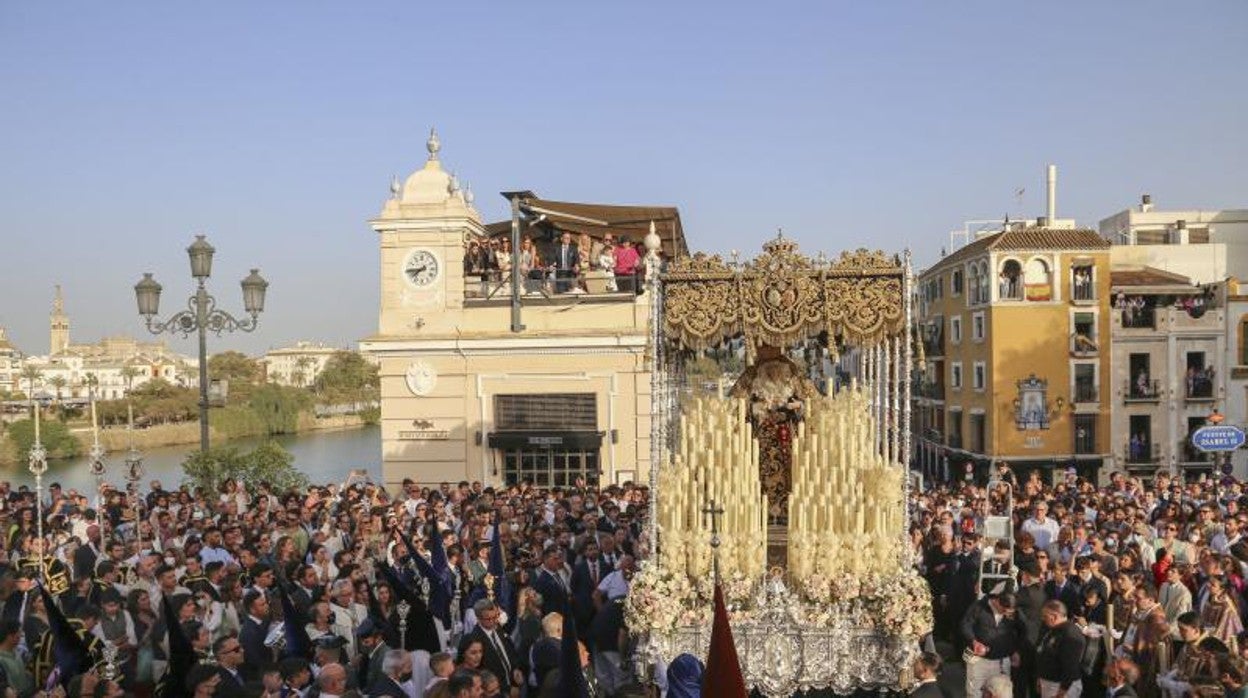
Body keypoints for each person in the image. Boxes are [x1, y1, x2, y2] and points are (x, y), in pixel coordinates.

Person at [959, 591, 1021, 698]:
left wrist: (1015, 651)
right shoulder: (979, 606)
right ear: (996, 601)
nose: (1005, 614)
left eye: (1009, 612)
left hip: (1002, 660)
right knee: (975, 692)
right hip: (979, 660)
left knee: (1002, 693)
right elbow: (965, 625)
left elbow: (1016, 631)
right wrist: (974, 641)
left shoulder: (1011, 613)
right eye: (1003, 610)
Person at [1035, 600, 1085, 698]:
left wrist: (1062, 692)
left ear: (1054, 616)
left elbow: (1070, 667)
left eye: (1045, 616)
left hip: (1060, 687)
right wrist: (1040, 678)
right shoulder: (1053, 630)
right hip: (1049, 683)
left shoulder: (1071, 635)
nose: (1043, 619)